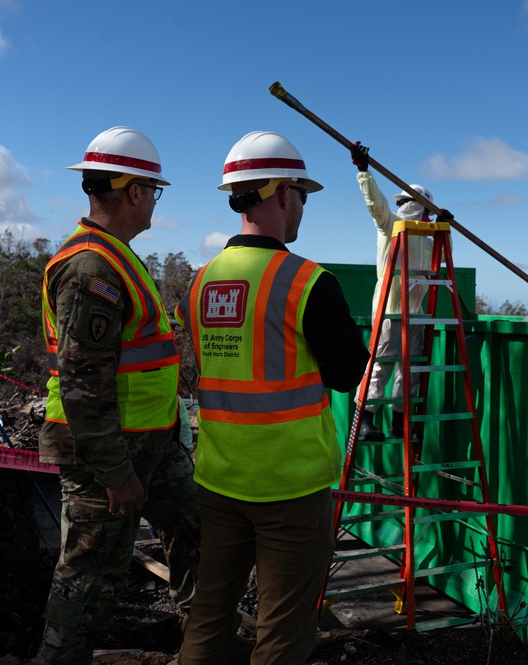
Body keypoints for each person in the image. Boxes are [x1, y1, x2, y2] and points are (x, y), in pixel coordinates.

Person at [176, 131, 369, 664]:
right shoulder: (308, 282)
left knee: (209, 614)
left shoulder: (200, 282)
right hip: (290, 484)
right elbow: (349, 373)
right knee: (283, 631)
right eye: (302, 193)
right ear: (283, 193)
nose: (303, 204)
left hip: (217, 477)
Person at [38, 126, 200, 665]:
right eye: (154, 190)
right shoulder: (91, 268)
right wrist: (116, 474)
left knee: (196, 527)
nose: (154, 200)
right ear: (133, 192)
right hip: (108, 453)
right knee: (90, 576)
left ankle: (204, 641)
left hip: (152, 443)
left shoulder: (118, 256)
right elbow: (84, 385)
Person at [349, 141, 436, 441]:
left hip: (415, 314)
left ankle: (400, 423)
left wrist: (444, 227)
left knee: (408, 372)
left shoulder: (427, 239)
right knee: (381, 366)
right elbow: (377, 206)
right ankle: (365, 420)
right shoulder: (392, 225)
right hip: (389, 310)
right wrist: (364, 172)